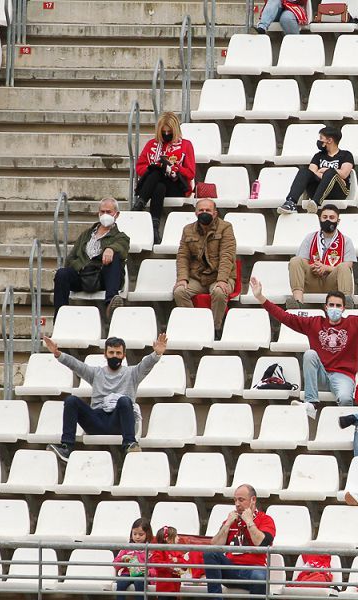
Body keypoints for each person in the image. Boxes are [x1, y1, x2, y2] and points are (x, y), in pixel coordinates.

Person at [250, 277, 358, 419]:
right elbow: (285, 317)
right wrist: (261, 298)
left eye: (338, 306)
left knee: (345, 400)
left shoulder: (355, 323)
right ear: (325, 307)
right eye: (331, 305)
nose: (334, 309)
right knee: (309, 354)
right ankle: (311, 403)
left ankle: (338, 429)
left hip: (343, 376)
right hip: (320, 374)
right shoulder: (313, 323)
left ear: (344, 308)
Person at [43, 333, 166, 462]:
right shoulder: (96, 373)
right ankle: (66, 447)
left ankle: (130, 444)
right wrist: (57, 354)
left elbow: (146, 365)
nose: (114, 356)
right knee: (71, 401)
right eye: (111, 352)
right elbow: (76, 365)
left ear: (124, 356)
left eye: (118, 353)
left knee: (124, 400)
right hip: (96, 421)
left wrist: (156, 354)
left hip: (119, 422)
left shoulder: (132, 373)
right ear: (105, 354)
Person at [197, 484, 277, 600]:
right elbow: (215, 545)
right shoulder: (231, 520)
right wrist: (227, 524)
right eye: (235, 500)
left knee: (260, 577)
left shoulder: (265, 520)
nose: (237, 504)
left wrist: (249, 522)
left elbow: (261, 543)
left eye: (241, 500)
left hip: (253, 570)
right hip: (231, 568)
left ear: (253, 500)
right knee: (210, 552)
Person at [53, 197, 130, 318]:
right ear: (98, 213)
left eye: (109, 212)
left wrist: (110, 249)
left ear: (116, 214)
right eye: (102, 211)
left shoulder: (121, 237)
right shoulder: (86, 234)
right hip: (83, 275)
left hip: (103, 277)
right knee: (62, 274)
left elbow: (122, 247)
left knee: (115, 257)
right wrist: (82, 266)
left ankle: (111, 304)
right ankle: (60, 317)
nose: (105, 214)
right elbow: (70, 259)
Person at [173, 199, 236, 335]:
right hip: (198, 277)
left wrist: (222, 280)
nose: (204, 213)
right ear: (196, 213)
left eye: (208, 210)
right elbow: (183, 256)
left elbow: (227, 256)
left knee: (219, 292)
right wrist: (182, 279)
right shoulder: (188, 230)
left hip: (219, 276)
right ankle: (195, 326)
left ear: (215, 213)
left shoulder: (226, 227)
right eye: (201, 210)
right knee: (179, 292)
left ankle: (214, 329)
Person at [133, 112, 196, 240]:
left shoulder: (186, 145)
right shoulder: (152, 144)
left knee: (158, 171)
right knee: (158, 183)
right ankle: (155, 229)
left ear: (175, 130)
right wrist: (156, 166)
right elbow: (140, 167)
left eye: (169, 132)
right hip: (156, 185)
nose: (166, 135)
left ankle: (140, 203)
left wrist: (174, 167)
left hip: (177, 185)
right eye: (164, 132)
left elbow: (190, 173)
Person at [287, 204, 356, 305]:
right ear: (320, 219)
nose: (328, 220)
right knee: (295, 261)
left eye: (332, 218)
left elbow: (348, 267)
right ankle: (298, 302)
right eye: (325, 217)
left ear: (338, 221)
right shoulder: (310, 238)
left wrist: (326, 268)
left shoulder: (346, 241)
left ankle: (346, 303)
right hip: (313, 280)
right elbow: (303, 262)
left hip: (333, 282)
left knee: (343, 267)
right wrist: (316, 267)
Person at [278, 126, 354, 215]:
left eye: (321, 138)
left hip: (338, 191)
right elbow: (311, 172)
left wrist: (327, 171)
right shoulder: (318, 156)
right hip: (318, 188)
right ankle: (291, 203)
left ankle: (315, 203)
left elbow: (344, 174)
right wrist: (326, 176)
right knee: (304, 171)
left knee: (330, 172)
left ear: (329, 140)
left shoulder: (346, 155)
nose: (319, 141)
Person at [114, 517, 153, 600]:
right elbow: (115, 564)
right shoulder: (127, 547)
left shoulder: (151, 550)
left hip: (142, 575)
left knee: (139, 582)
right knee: (121, 583)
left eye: (141, 534)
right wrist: (123, 560)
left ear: (147, 534)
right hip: (127, 573)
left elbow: (155, 567)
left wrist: (148, 572)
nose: (137, 537)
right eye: (134, 534)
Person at [150, 525, 184, 600]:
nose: (178, 538)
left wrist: (177, 561)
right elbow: (157, 564)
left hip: (175, 588)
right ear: (168, 539)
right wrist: (171, 564)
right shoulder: (159, 550)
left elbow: (184, 564)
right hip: (163, 588)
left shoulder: (177, 551)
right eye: (176, 536)